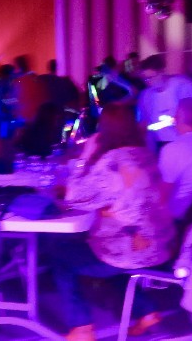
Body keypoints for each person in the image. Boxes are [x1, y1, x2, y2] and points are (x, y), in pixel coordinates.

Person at [54, 104, 176, 341]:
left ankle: (81, 327)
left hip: (132, 250)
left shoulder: (111, 162)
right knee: (108, 251)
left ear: (104, 131)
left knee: (61, 254)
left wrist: (85, 156)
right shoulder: (145, 155)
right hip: (158, 245)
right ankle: (147, 312)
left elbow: (74, 197)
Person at [137, 54, 192, 152]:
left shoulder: (183, 86)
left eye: (151, 77)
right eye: (145, 78)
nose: (148, 82)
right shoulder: (146, 95)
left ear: (162, 72)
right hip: (160, 144)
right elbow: (143, 122)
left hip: (186, 143)